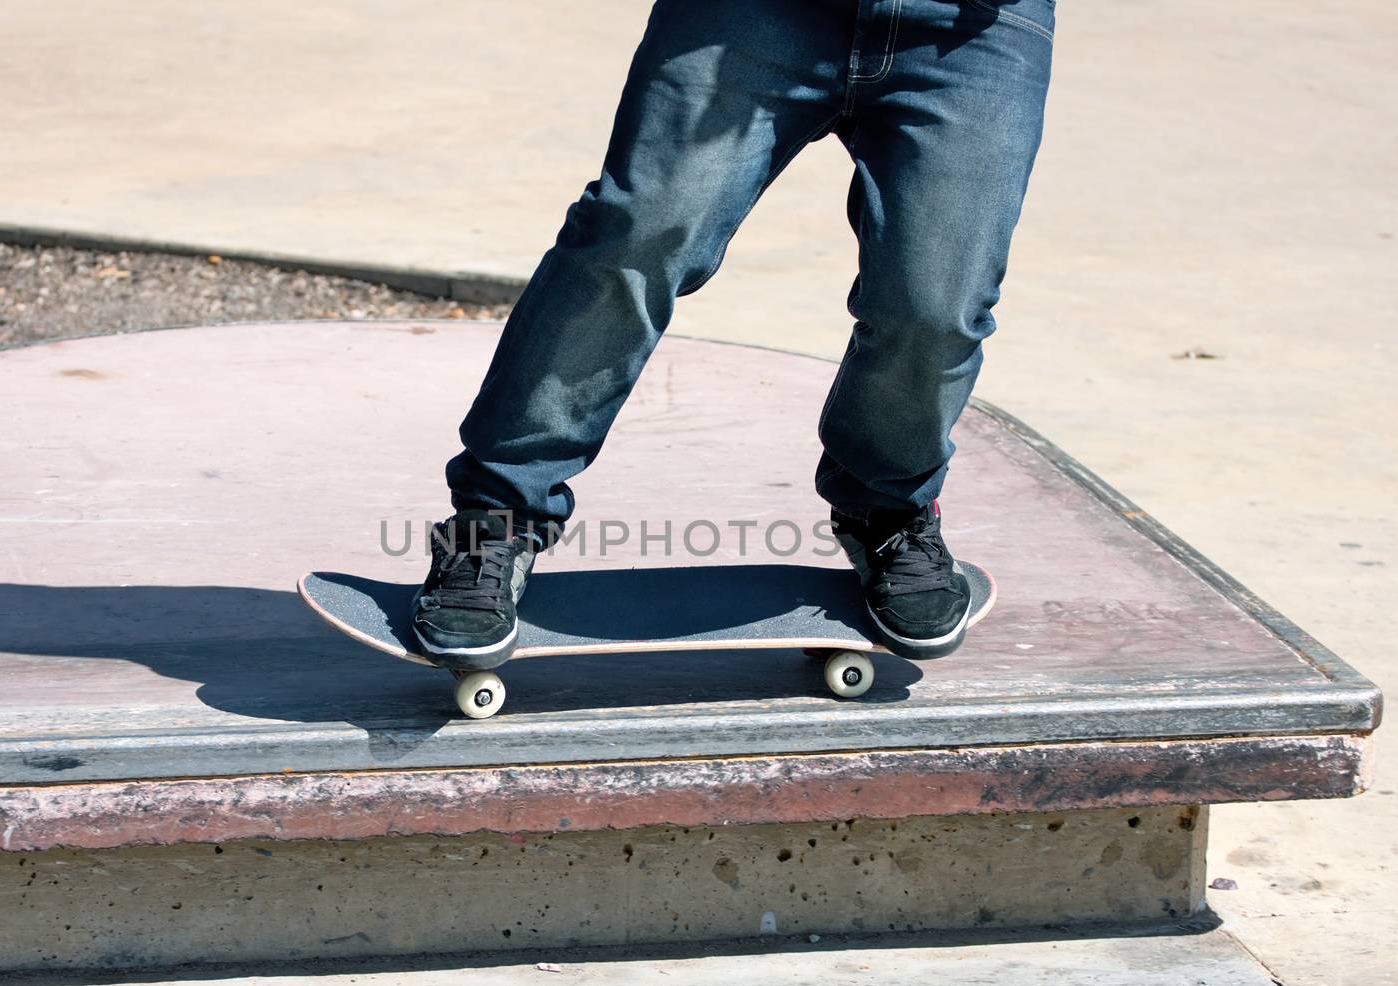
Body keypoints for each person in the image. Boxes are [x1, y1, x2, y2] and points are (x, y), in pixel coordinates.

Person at [410, 0, 1054, 670]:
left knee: (936, 299)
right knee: (637, 234)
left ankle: (889, 512)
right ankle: (495, 518)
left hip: (969, 30)